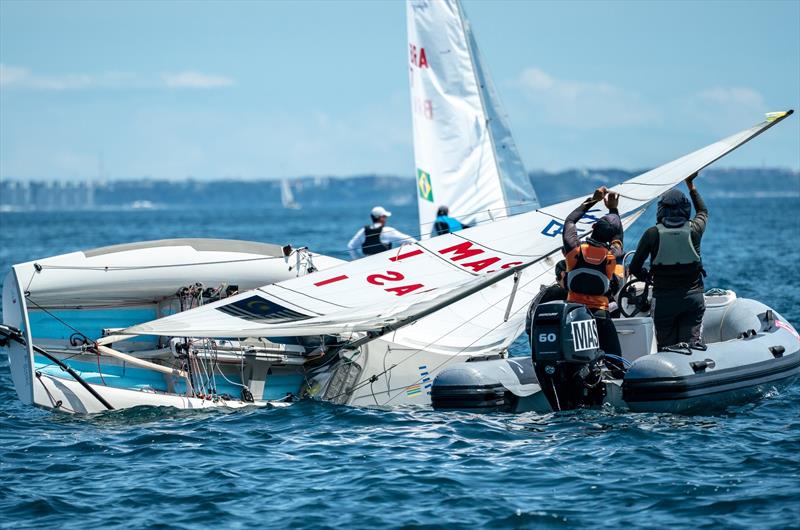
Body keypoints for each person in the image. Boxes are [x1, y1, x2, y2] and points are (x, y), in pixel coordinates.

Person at [629, 172, 708, 350]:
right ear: (685, 208)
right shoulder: (695, 229)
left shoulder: (652, 234)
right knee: (692, 346)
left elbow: (634, 267)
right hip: (693, 298)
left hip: (664, 300)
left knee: (667, 348)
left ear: (661, 209)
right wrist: (691, 186)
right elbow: (703, 211)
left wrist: (647, 278)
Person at [562, 186, 624, 357]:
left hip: (574, 312)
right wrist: (613, 209)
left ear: (594, 225)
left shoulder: (574, 249)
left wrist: (593, 200)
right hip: (600, 315)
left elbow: (570, 221)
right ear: (612, 238)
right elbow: (618, 238)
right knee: (615, 360)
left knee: (577, 359)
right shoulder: (612, 255)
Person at [347, 206, 416, 259]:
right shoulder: (387, 231)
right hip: (385, 264)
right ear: (381, 218)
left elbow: (351, 246)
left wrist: (358, 260)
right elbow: (410, 240)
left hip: (367, 265)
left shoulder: (363, 231)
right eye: (385, 217)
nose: (386, 219)